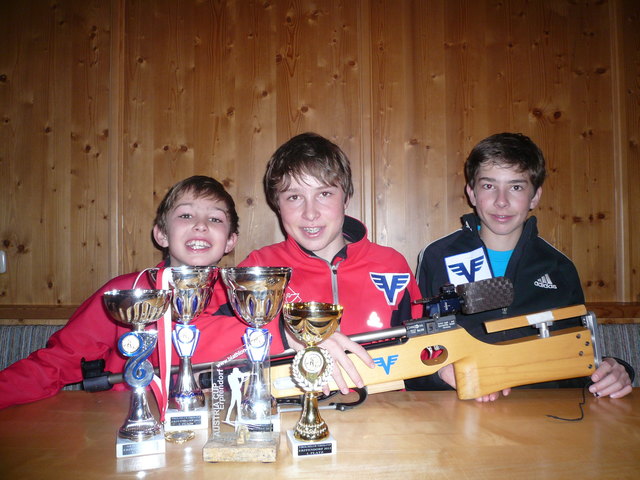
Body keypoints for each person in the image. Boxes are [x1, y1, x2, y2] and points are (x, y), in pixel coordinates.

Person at [409, 132, 634, 401]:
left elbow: (578, 360)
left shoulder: (559, 268)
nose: (501, 201)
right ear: (471, 192)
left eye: (516, 187)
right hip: (461, 412)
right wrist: (441, 374)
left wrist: (616, 369)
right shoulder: (437, 257)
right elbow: (415, 360)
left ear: (535, 196)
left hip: (543, 419)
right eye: (489, 186)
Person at [0, 175, 244, 409]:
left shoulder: (243, 298)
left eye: (215, 219)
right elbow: (57, 363)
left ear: (231, 240)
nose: (200, 225)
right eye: (186, 215)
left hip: (216, 424)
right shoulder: (125, 292)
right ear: (161, 234)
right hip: (124, 424)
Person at [238, 132, 423, 393]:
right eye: (294, 197)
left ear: (346, 198)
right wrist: (283, 334)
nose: (310, 213)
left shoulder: (390, 264)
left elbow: (423, 351)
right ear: (276, 204)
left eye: (324, 194)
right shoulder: (258, 268)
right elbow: (202, 342)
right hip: (292, 419)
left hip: (385, 420)